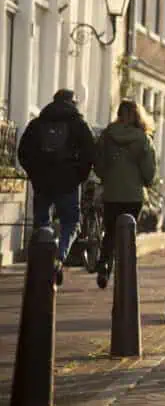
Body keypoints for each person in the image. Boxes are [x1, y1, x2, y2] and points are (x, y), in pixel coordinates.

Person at [17, 89, 97, 286]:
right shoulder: (78, 124)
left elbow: (23, 151)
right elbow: (90, 153)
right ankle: (58, 258)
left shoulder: (38, 123)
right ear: (72, 102)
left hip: (42, 183)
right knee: (71, 222)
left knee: (41, 224)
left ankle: (41, 263)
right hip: (68, 183)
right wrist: (78, 176)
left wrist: (35, 174)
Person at [93, 100, 157, 289]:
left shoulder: (107, 135)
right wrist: (146, 182)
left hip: (112, 192)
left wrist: (106, 176)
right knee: (128, 232)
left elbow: (99, 162)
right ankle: (125, 271)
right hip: (133, 195)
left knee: (110, 232)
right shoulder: (143, 139)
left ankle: (104, 265)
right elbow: (149, 171)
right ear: (138, 115)